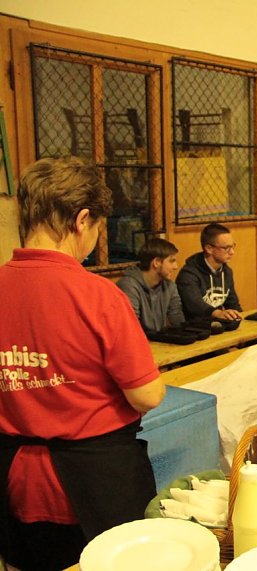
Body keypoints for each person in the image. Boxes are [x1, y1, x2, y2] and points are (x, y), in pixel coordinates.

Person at [0, 156, 165, 570]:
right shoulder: (98, 295)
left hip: (14, 477)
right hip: (92, 483)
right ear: (82, 220)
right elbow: (146, 394)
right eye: (97, 227)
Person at [116, 238, 185, 334]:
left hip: (158, 343)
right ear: (156, 262)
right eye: (171, 261)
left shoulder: (169, 285)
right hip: (138, 344)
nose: (176, 266)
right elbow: (131, 328)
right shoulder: (128, 286)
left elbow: (177, 319)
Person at [176, 223, 243, 321]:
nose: (232, 252)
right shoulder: (188, 275)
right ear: (209, 249)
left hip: (220, 326)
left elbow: (233, 304)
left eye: (233, 246)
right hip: (197, 329)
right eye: (226, 248)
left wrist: (240, 317)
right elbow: (195, 305)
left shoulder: (227, 272)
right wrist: (217, 313)